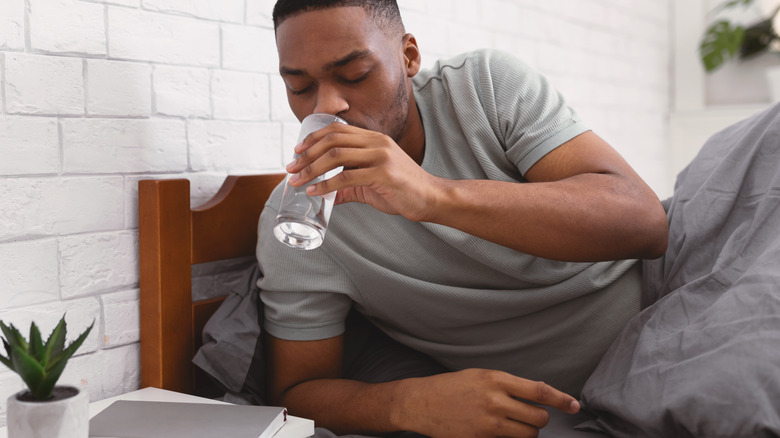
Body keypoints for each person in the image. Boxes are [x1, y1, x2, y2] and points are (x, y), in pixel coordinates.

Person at [255, 1, 669, 436]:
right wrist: (408, 402)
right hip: (563, 403)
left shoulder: (482, 87)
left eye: (355, 74)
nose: (327, 106)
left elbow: (646, 224)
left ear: (408, 56)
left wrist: (433, 195)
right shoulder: (299, 221)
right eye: (300, 87)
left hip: (669, 308)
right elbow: (297, 391)